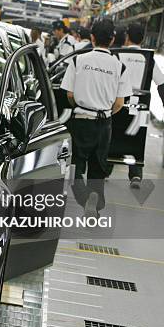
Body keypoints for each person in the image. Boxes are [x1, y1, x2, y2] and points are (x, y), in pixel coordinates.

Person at [60, 19, 133, 218]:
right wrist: (105, 112)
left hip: (82, 120)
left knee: (75, 166)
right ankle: (94, 197)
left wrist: (83, 106)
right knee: (98, 167)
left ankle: (84, 197)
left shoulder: (78, 61)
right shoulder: (120, 67)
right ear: (112, 40)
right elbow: (119, 103)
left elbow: (69, 94)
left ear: (92, 38)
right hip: (104, 124)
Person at [119, 23, 164, 188]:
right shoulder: (149, 58)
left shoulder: (120, 55)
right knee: (137, 139)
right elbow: (161, 84)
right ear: (142, 39)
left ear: (127, 37)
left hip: (120, 101)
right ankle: (135, 175)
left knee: (114, 134)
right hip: (141, 106)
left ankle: (106, 168)